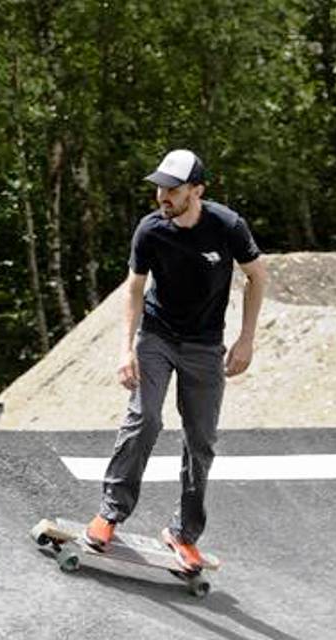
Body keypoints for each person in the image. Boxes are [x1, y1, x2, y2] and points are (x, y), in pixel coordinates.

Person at [84, 149, 269, 571]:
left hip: (205, 346)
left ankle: (183, 533)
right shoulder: (150, 231)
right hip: (157, 337)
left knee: (201, 440)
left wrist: (246, 340)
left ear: (197, 190)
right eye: (159, 189)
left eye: (172, 189)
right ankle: (110, 513)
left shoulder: (227, 226)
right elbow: (134, 288)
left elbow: (257, 276)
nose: (162, 197)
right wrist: (125, 348)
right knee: (145, 418)